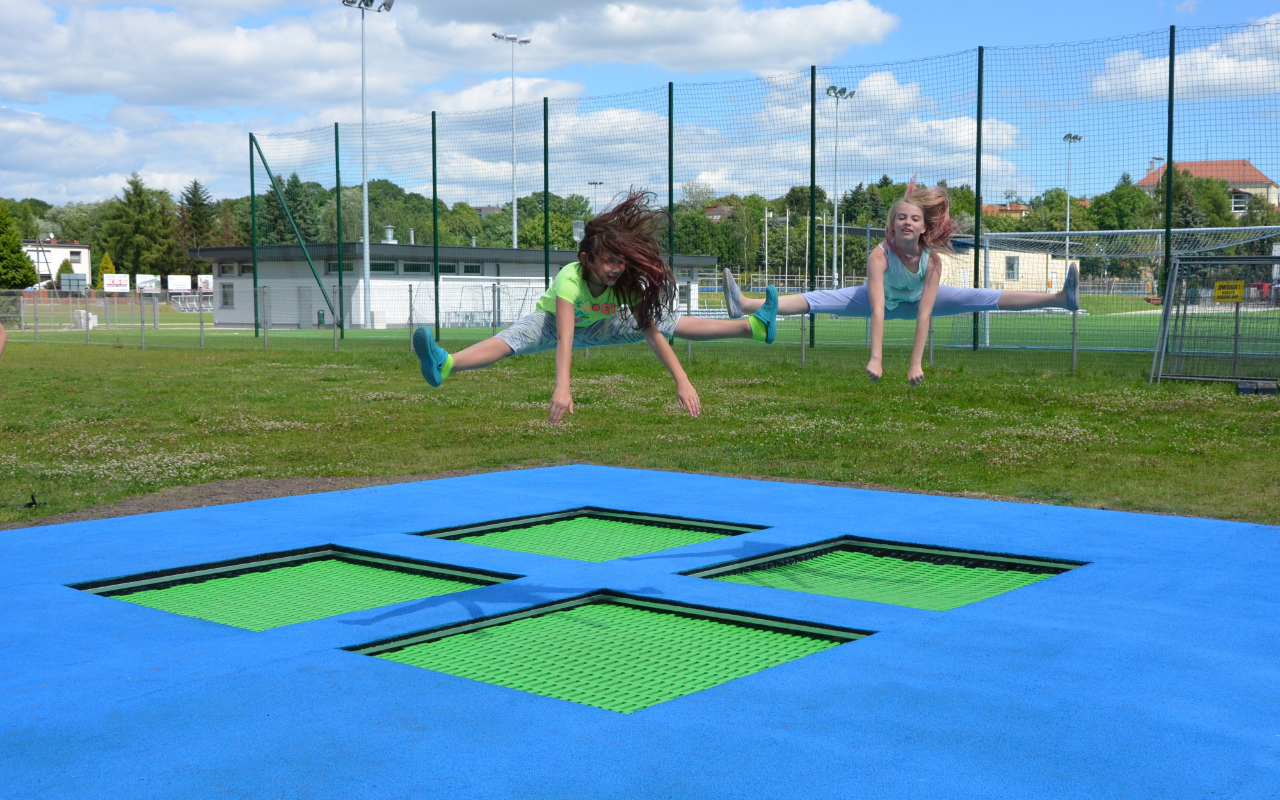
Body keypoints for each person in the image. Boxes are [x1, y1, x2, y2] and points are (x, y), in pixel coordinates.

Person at [412, 191, 780, 424]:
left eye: (620, 262)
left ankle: (753, 327)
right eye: (607, 262)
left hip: (605, 325)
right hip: (556, 324)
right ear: (586, 259)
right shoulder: (570, 281)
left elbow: (651, 333)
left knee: (666, 321)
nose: (615, 269)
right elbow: (566, 339)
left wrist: (682, 381)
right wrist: (562, 388)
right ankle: (447, 364)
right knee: (516, 338)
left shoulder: (623, 284)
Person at [725, 179, 1078, 386]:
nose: (907, 222)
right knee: (820, 299)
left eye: (914, 218)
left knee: (982, 297)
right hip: (881, 300)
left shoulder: (933, 261)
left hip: (917, 302)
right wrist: (876, 358)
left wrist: (915, 363)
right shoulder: (879, 256)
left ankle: (1061, 297)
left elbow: (924, 316)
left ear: (925, 227)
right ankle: (745, 305)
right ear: (893, 225)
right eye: (901, 218)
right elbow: (877, 310)